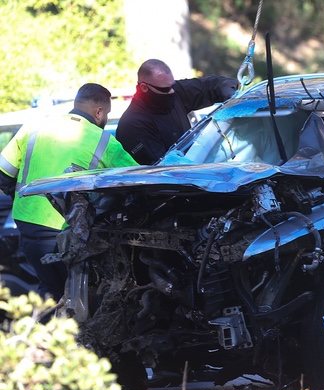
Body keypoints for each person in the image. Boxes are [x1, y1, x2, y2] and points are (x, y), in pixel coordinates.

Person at [0, 83, 139, 300]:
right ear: (99, 112)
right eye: (106, 115)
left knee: (50, 291)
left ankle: (47, 328)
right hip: (65, 230)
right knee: (76, 296)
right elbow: (137, 182)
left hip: (26, 225)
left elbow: (4, 174)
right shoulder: (104, 142)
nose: (104, 121)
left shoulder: (34, 127)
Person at [116, 59, 237, 164]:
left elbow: (207, 86)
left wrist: (227, 88)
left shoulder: (174, 91)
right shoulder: (133, 124)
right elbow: (159, 168)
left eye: (172, 86)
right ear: (144, 88)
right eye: (165, 89)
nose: (171, 92)